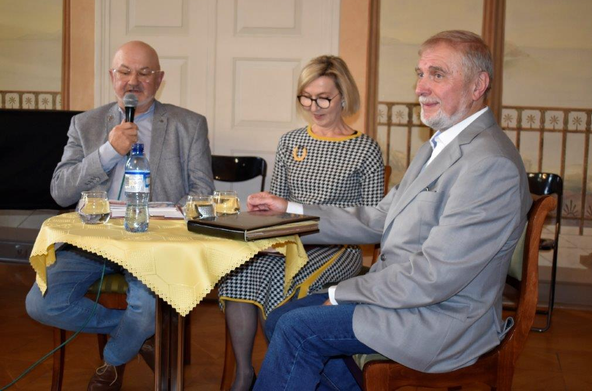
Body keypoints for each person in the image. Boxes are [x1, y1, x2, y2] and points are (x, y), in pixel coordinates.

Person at [247, 30, 533, 390]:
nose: (420, 88)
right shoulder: (441, 145)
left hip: (441, 319)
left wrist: (339, 294)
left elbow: (435, 275)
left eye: (437, 74)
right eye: (420, 73)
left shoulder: (490, 164)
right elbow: (378, 218)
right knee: (282, 317)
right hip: (407, 301)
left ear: (478, 85)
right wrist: (289, 208)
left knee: (296, 327)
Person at [25, 40, 214, 391]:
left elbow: (202, 193)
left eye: (144, 73)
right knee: (41, 304)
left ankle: (113, 360)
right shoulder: (85, 124)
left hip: (153, 243)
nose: (133, 81)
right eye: (125, 72)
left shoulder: (189, 124)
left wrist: (166, 217)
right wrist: (109, 151)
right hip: (93, 241)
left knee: (146, 307)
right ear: (112, 76)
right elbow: (61, 191)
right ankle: (138, 335)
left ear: (159, 79)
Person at [218, 55, 384, 390]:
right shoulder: (291, 141)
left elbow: (372, 222)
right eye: (306, 98)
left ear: (344, 96)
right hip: (288, 240)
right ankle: (244, 373)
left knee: (287, 282)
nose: (313, 107)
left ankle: (287, 368)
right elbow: (277, 204)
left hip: (339, 247)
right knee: (239, 272)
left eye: (323, 98)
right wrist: (261, 211)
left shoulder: (365, 149)